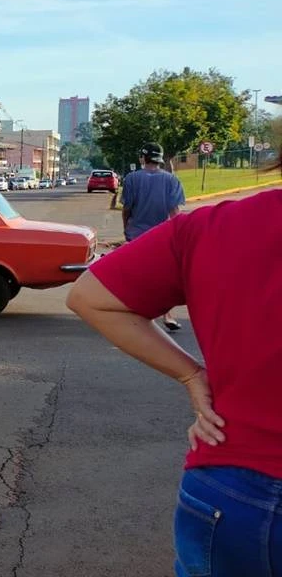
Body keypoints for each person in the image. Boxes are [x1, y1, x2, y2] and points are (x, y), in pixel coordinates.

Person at [66, 169, 282, 576]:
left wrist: (191, 375)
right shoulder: (173, 190)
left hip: (227, 482)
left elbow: (89, 296)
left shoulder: (210, 227)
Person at [121, 142, 186, 331]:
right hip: (162, 235)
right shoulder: (171, 180)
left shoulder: (132, 179)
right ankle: (167, 315)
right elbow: (175, 212)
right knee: (163, 276)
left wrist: (126, 228)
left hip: (137, 235)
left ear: (143, 157)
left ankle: (137, 312)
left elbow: (127, 208)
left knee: (139, 275)